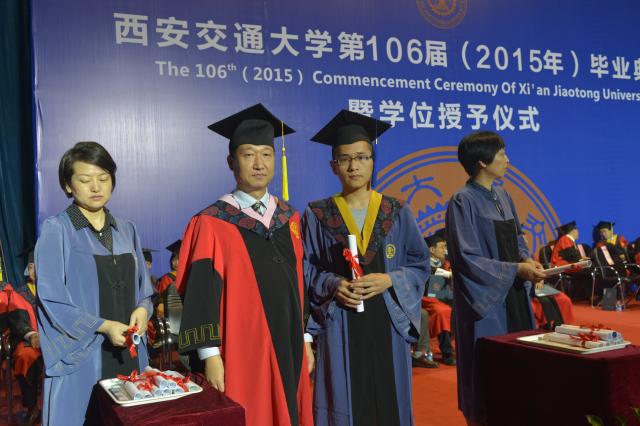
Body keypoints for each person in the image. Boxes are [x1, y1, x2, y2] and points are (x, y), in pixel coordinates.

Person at [176, 104, 313, 426]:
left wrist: (306, 339)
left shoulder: (289, 218)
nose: (259, 164)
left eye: (266, 154)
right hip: (240, 350)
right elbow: (200, 296)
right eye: (248, 154)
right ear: (231, 161)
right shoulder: (212, 222)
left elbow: (300, 282)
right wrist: (210, 355)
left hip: (290, 343)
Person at [303, 110, 429, 426]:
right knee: (344, 402)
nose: (354, 166)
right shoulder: (318, 214)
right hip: (340, 324)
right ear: (333, 166)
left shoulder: (396, 211)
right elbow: (306, 269)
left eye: (361, 157)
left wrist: (391, 278)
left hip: (388, 321)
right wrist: (334, 284)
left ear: (373, 161)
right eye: (345, 159)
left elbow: (419, 264)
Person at [35, 141, 153, 425]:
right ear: (68, 185)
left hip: (128, 354)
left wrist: (143, 310)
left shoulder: (127, 229)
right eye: (85, 180)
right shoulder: (58, 229)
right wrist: (103, 326)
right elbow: (52, 299)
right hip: (83, 355)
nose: (96, 187)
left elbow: (144, 290)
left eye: (103, 178)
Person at [445, 131, 545, 425]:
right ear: (481, 161)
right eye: (501, 154)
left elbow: (517, 237)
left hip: (514, 294)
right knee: (489, 373)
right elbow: (466, 259)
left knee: (520, 366)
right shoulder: (462, 201)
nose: (507, 160)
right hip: (487, 300)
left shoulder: (504, 196)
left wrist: (527, 260)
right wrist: (515, 269)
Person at [0, 280, 42, 426]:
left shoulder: (9, 294)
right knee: (26, 354)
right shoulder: (19, 291)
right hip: (15, 339)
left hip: (24, 337)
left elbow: (18, 319)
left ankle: (33, 407)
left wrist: (30, 334)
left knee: (27, 355)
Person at [422, 234, 455, 366]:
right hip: (426, 299)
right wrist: (446, 274)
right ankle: (447, 353)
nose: (445, 251)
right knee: (442, 311)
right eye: (442, 247)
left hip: (445, 298)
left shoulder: (447, 264)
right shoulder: (422, 264)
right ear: (432, 250)